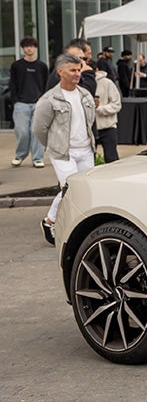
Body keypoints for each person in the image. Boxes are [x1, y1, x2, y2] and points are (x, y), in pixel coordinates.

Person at [33, 53, 95, 245]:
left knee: (86, 190)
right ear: (60, 71)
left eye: (79, 70)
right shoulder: (50, 99)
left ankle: (77, 226)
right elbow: (39, 129)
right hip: (63, 153)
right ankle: (52, 221)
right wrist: (54, 145)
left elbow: (91, 120)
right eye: (72, 70)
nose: (77, 74)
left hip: (86, 150)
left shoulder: (85, 95)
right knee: (70, 189)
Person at [9, 36, 48, 168]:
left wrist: (44, 101)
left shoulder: (42, 66)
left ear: (35, 48)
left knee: (36, 131)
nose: (29, 49)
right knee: (22, 132)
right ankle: (20, 155)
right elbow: (12, 84)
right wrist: (15, 101)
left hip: (38, 103)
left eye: (31, 46)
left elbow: (46, 84)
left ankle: (38, 158)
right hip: (21, 104)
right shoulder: (16, 65)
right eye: (26, 46)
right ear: (23, 49)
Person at [93, 66, 122, 163]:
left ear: (96, 70)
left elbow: (116, 105)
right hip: (88, 129)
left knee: (111, 159)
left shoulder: (107, 83)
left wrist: (99, 109)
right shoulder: (79, 83)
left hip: (108, 127)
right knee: (87, 162)